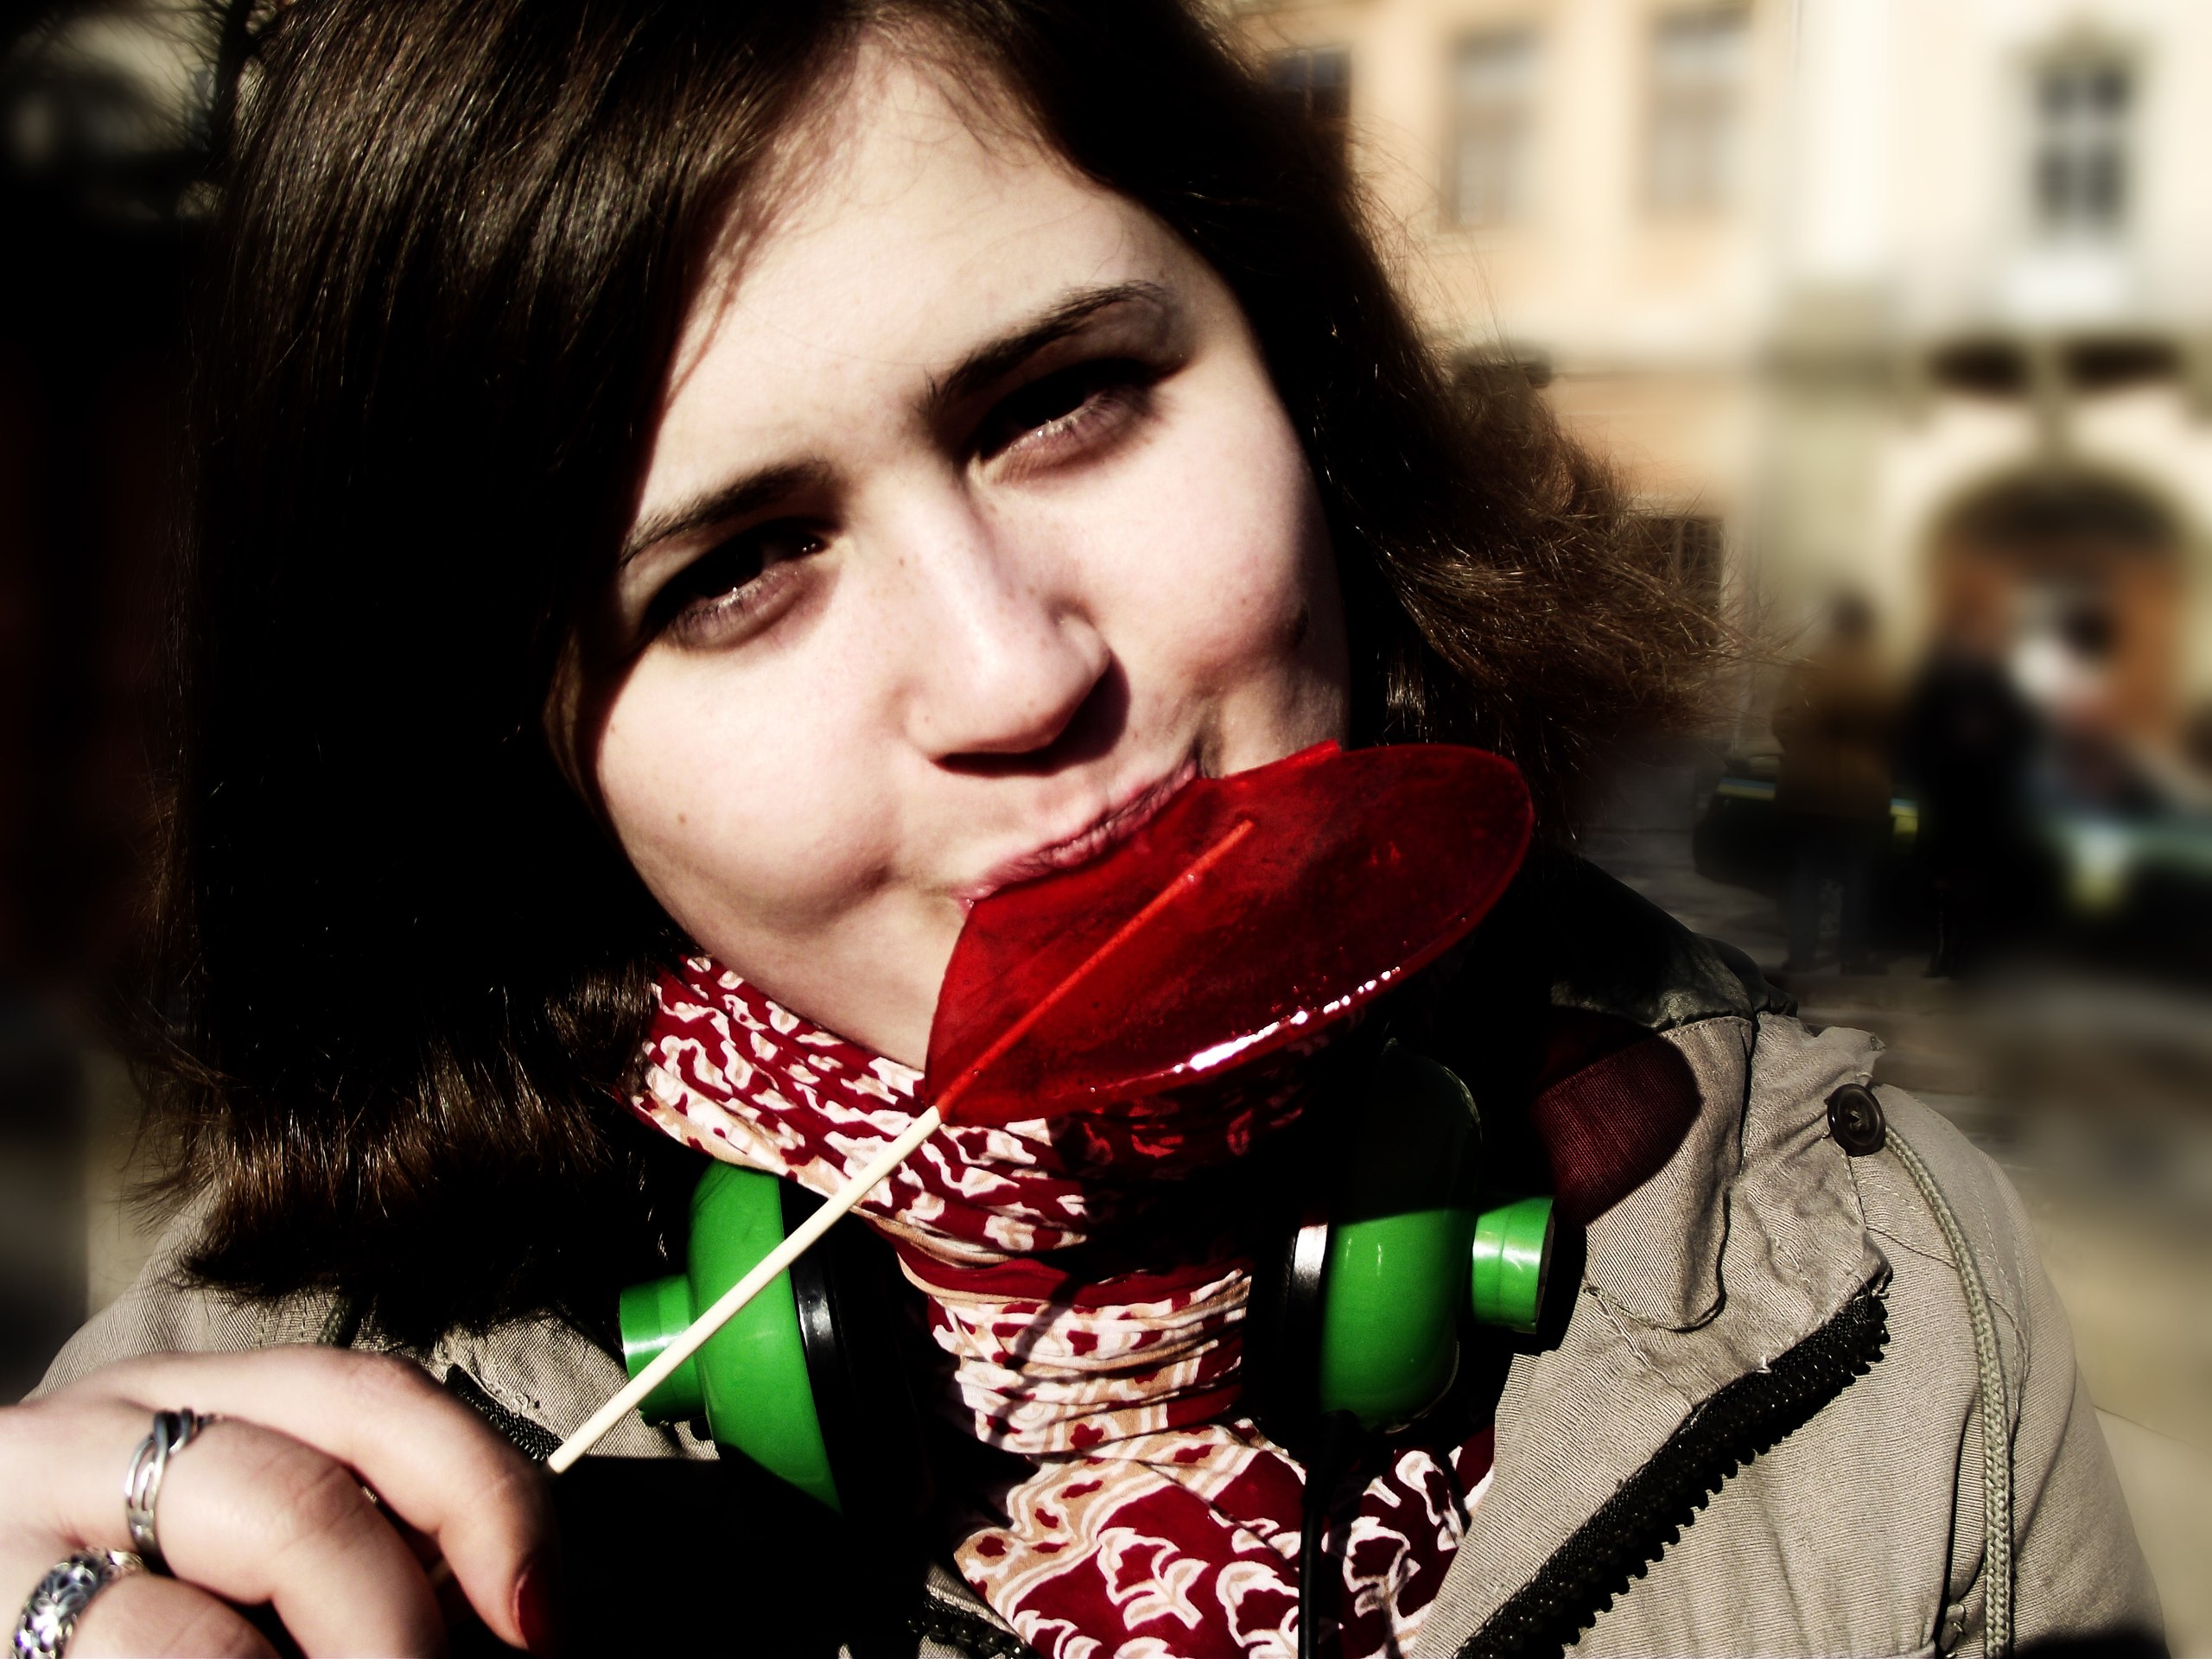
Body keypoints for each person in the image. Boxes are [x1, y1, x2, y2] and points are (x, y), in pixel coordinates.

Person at [4, 3, 2161, 1656]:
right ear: (513, 760)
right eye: (732, 570)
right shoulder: (248, 1455)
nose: (1014, 675)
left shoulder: (1885, 1312)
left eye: (1062, 399)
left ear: (1296, 373)